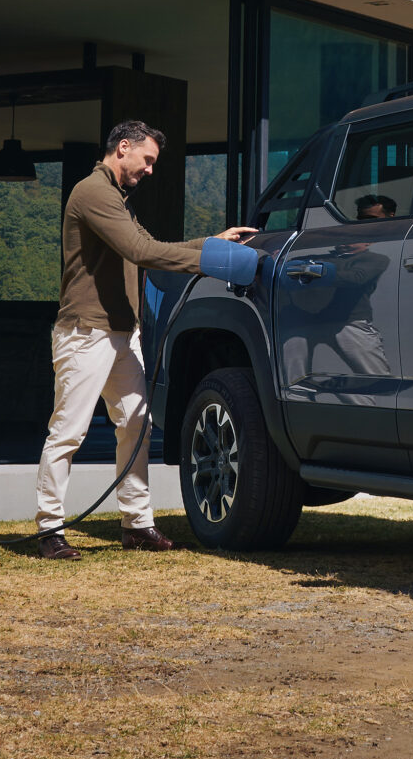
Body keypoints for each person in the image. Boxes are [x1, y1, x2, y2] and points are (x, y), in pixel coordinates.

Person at [36, 119, 257, 561]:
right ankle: (49, 530)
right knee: (68, 432)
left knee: (137, 425)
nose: (151, 170)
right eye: (148, 159)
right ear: (123, 147)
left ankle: (136, 525)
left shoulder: (116, 199)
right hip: (87, 332)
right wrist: (210, 260)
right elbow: (141, 252)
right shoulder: (94, 192)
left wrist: (209, 242)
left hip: (120, 332)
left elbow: (147, 243)